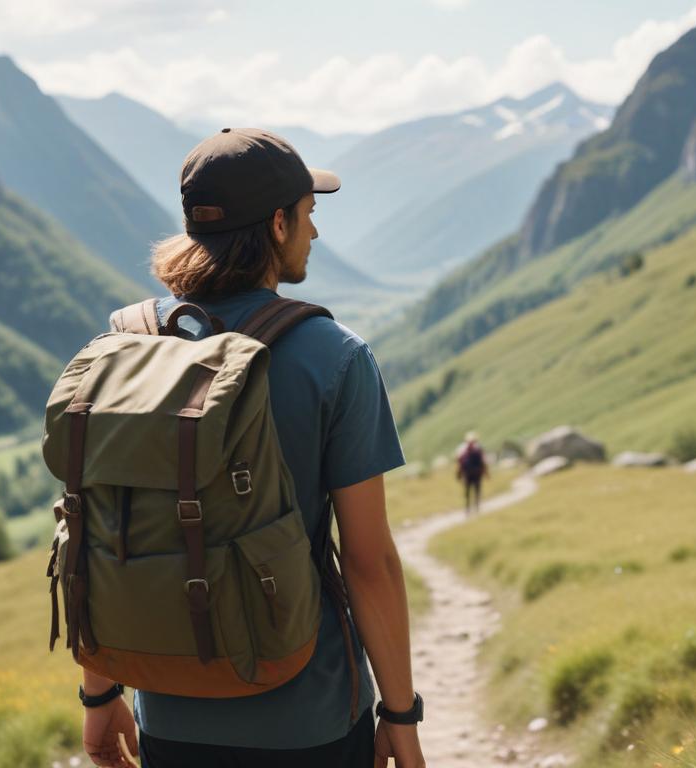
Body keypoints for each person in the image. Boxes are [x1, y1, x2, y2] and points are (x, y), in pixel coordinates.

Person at [80, 128, 426, 768]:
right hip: (309, 714)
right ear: (276, 223)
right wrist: (401, 716)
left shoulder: (130, 347)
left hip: (171, 707)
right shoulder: (336, 358)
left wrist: (99, 697)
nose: (313, 234)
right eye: (308, 215)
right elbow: (369, 562)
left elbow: (106, 527)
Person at [455, 432, 488, 517]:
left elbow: (460, 463)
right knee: (476, 490)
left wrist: (458, 474)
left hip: (468, 474)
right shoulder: (478, 448)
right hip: (476, 473)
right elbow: (483, 462)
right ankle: (475, 507)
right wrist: (486, 473)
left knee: (468, 491)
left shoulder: (462, 449)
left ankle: (468, 509)